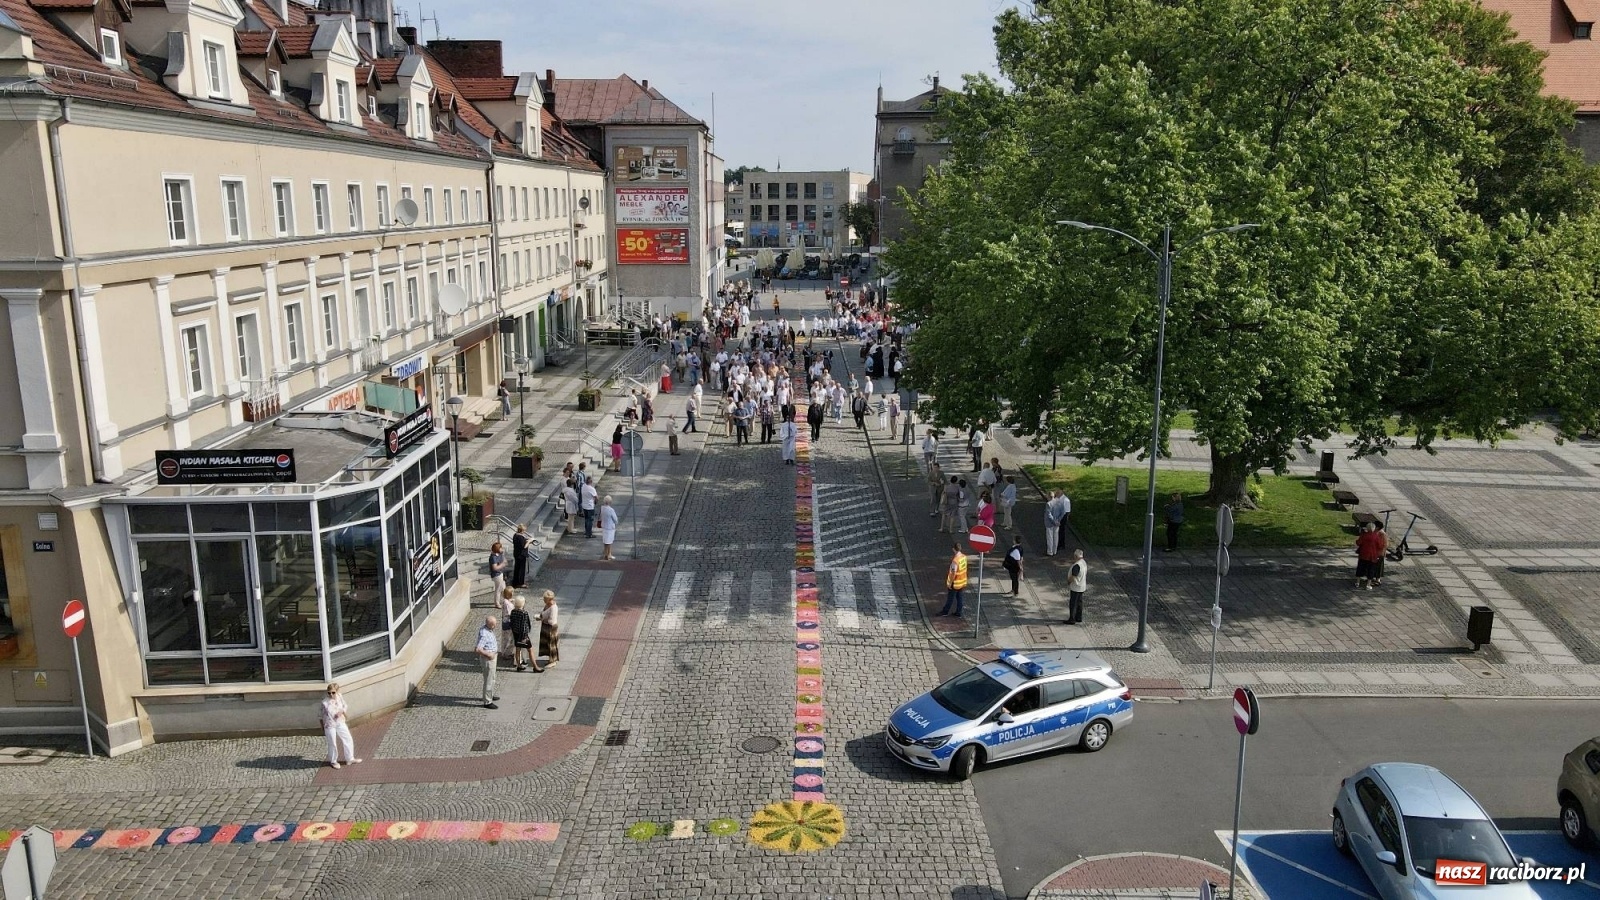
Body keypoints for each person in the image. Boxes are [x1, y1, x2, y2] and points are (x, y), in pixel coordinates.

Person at [319, 683, 361, 768]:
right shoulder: (324, 703)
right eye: (329, 693)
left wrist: (341, 712)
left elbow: (345, 706)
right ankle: (333, 761)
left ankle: (350, 758)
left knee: (348, 738)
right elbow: (320, 716)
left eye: (333, 692)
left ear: (337, 691)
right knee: (332, 743)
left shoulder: (339, 697)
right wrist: (322, 727)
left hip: (340, 722)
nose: (331, 694)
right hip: (329, 725)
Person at [508, 596, 540, 672]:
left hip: (516, 633)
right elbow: (524, 625)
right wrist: (524, 636)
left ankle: (519, 665)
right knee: (530, 650)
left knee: (518, 649)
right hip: (523, 635)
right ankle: (535, 667)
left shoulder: (513, 611)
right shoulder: (524, 613)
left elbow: (512, 623)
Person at [476, 616, 500, 709]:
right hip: (488, 659)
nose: (495, 626)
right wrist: (489, 654)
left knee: (492, 677)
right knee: (489, 680)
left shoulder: (486, 628)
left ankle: (490, 694)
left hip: (492, 657)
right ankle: (487, 701)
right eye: (494, 624)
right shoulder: (484, 634)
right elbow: (478, 649)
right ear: (491, 625)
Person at [1356, 521, 1388, 589]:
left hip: (1367, 554)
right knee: (1371, 569)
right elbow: (1380, 545)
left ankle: (1358, 582)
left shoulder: (1365, 534)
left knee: (1362, 568)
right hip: (1373, 555)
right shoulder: (1376, 536)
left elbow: (1358, 542)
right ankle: (1368, 584)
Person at [940, 543, 969, 617]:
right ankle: (959, 612)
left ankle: (945, 611)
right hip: (962, 581)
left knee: (950, 598)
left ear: (953, 549)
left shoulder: (955, 561)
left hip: (955, 582)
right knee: (960, 597)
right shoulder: (964, 557)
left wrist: (950, 583)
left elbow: (953, 573)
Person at [537, 590, 560, 667]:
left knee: (551, 644)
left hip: (550, 628)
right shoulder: (547, 605)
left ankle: (553, 660)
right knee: (547, 643)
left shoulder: (553, 608)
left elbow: (552, 620)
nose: (544, 600)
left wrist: (542, 617)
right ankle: (550, 659)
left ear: (549, 599)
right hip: (546, 626)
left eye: (545, 599)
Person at [1064, 549, 1087, 624]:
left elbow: (1073, 576)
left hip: (1076, 587)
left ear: (1076, 556)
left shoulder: (1077, 565)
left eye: (1074, 556)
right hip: (1082, 586)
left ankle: (1072, 619)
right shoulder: (1084, 563)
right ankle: (1078, 617)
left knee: (1073, 603)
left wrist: (1068, 581)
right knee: (1079, 602)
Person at [511, 524, 532, 588]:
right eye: (524, 530)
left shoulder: (515, 535)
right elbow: (524, 546)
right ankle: (521, 583)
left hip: (516, 554)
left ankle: (515, 582)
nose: (525, 531)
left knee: (517, 568)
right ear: (522, 530)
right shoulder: (520, 537)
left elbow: (520, 543)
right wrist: (529, 541)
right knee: (521, 569)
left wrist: (526, 540)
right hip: (521, 555)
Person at [600, 495, 619, 560]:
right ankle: (608, 555)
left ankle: (607, 554)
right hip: (610, 527)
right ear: (610, 502)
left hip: (604, 526)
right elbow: (615, 519)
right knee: (609, 542)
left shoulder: (602, 508)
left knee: (605, 541)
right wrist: (616, 522)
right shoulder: (611, 510)